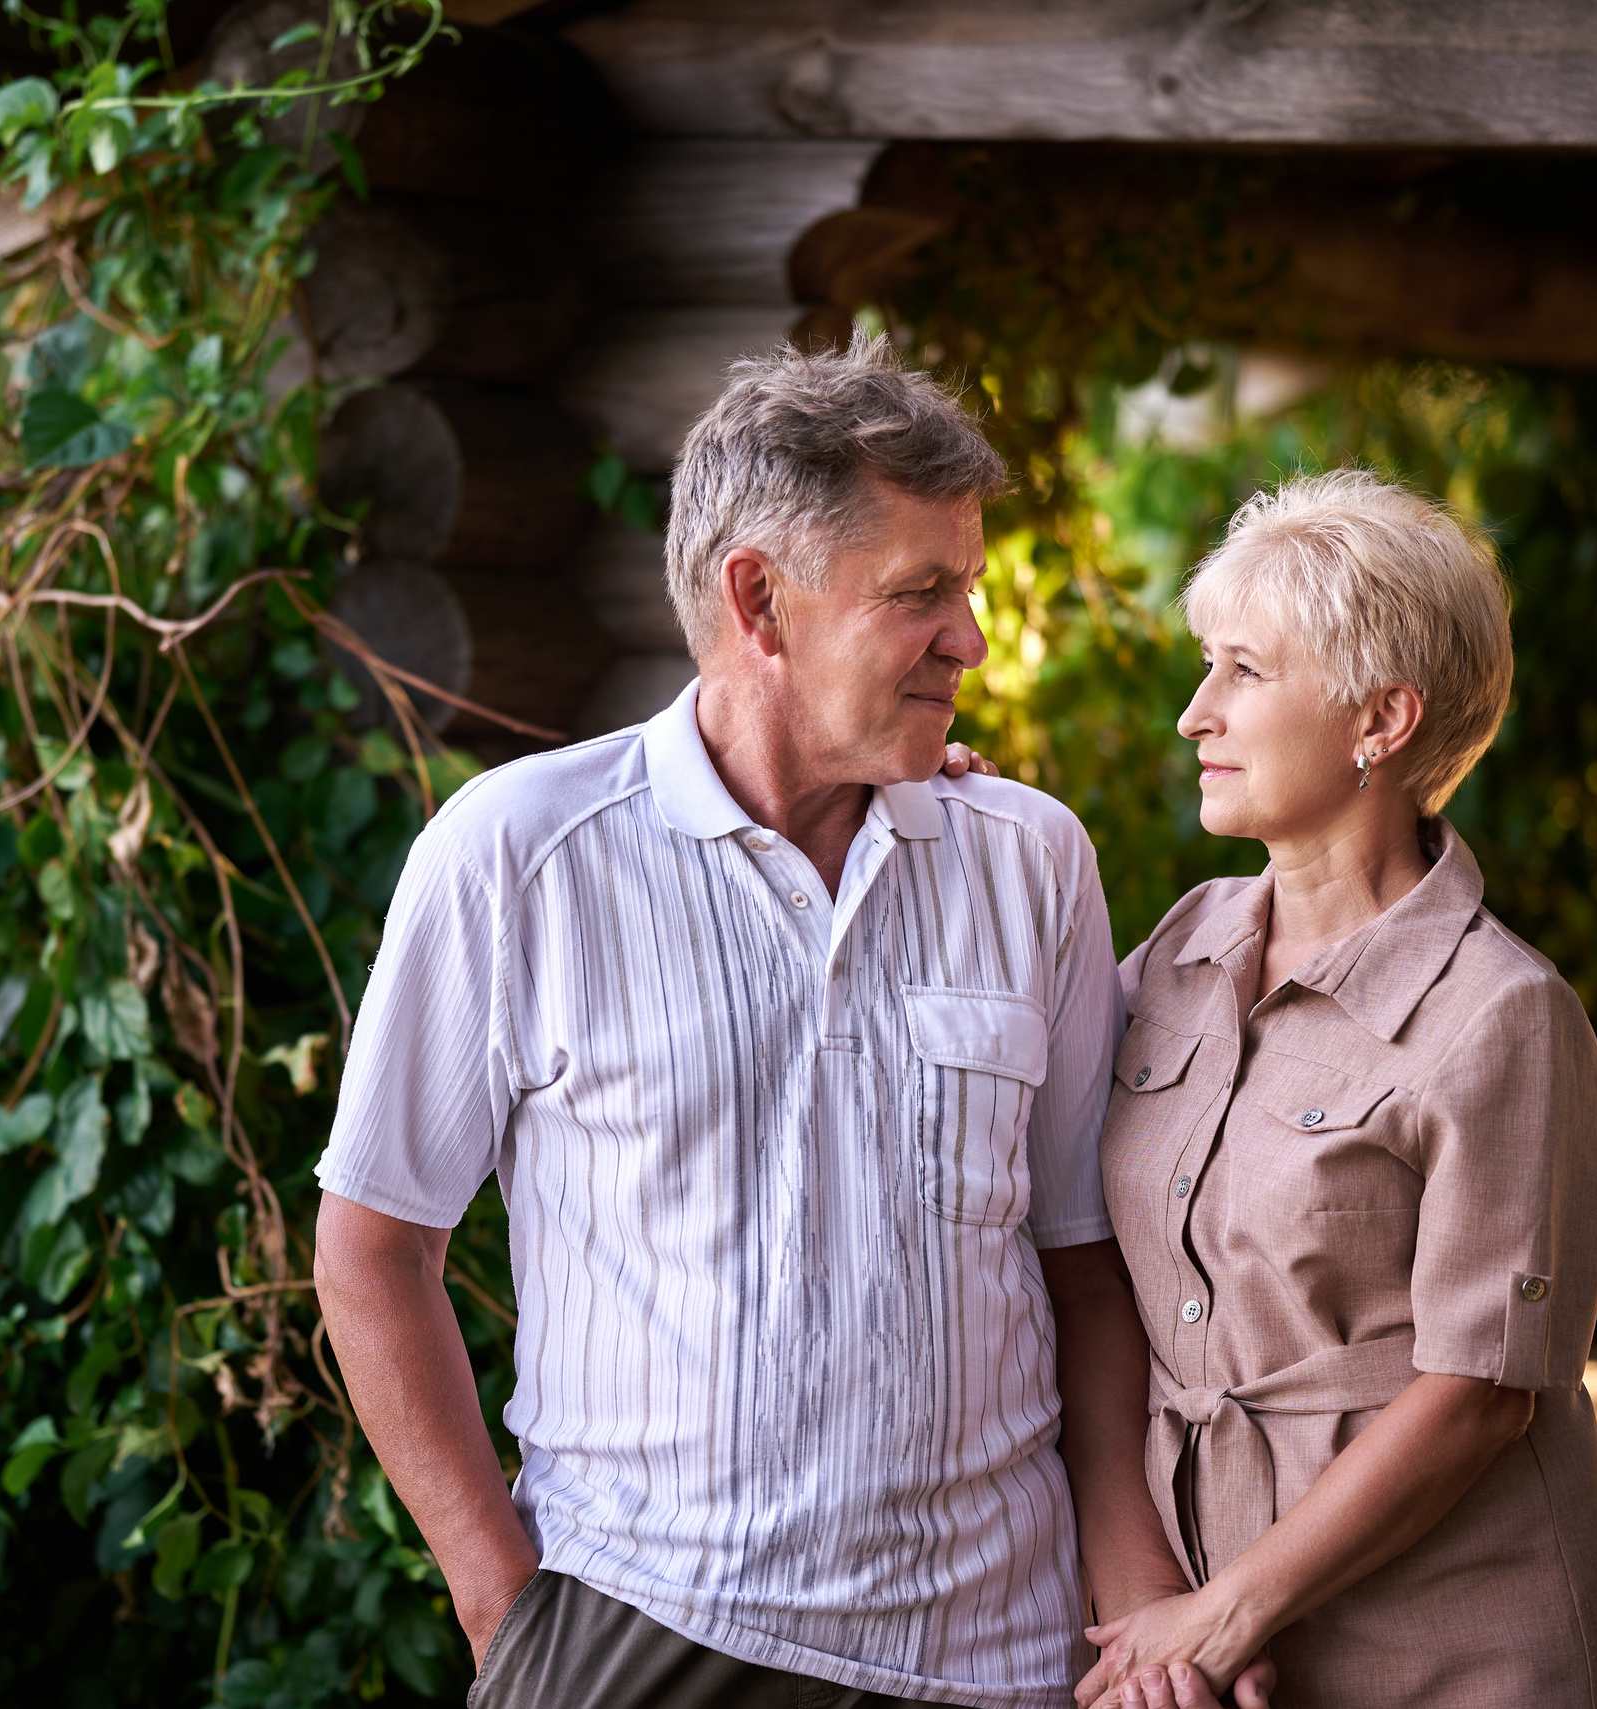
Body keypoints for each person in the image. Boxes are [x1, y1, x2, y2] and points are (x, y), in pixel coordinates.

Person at [312, 336, 1242, 1709]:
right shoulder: (519, 856)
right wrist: (509, 1615)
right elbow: (374, 1247)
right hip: (647, 1633)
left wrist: (1131, 1581)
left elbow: (1080, 1255)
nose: (971, 640)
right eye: (920, 594)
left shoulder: (1029, 858)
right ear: (759, 601)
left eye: (965, 589)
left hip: (994, 1658)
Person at [1076, 470, 1597, 1709]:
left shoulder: (1501, 1016)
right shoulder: (1173, 953)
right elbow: (1091, 1271)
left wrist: (1221, 1618)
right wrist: (1147, 1617)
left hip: (1460, 1650)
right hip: (1197, 1631)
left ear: (1379, 719)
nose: (1192, 715)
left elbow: (1477, 1397)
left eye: (1242, 671)